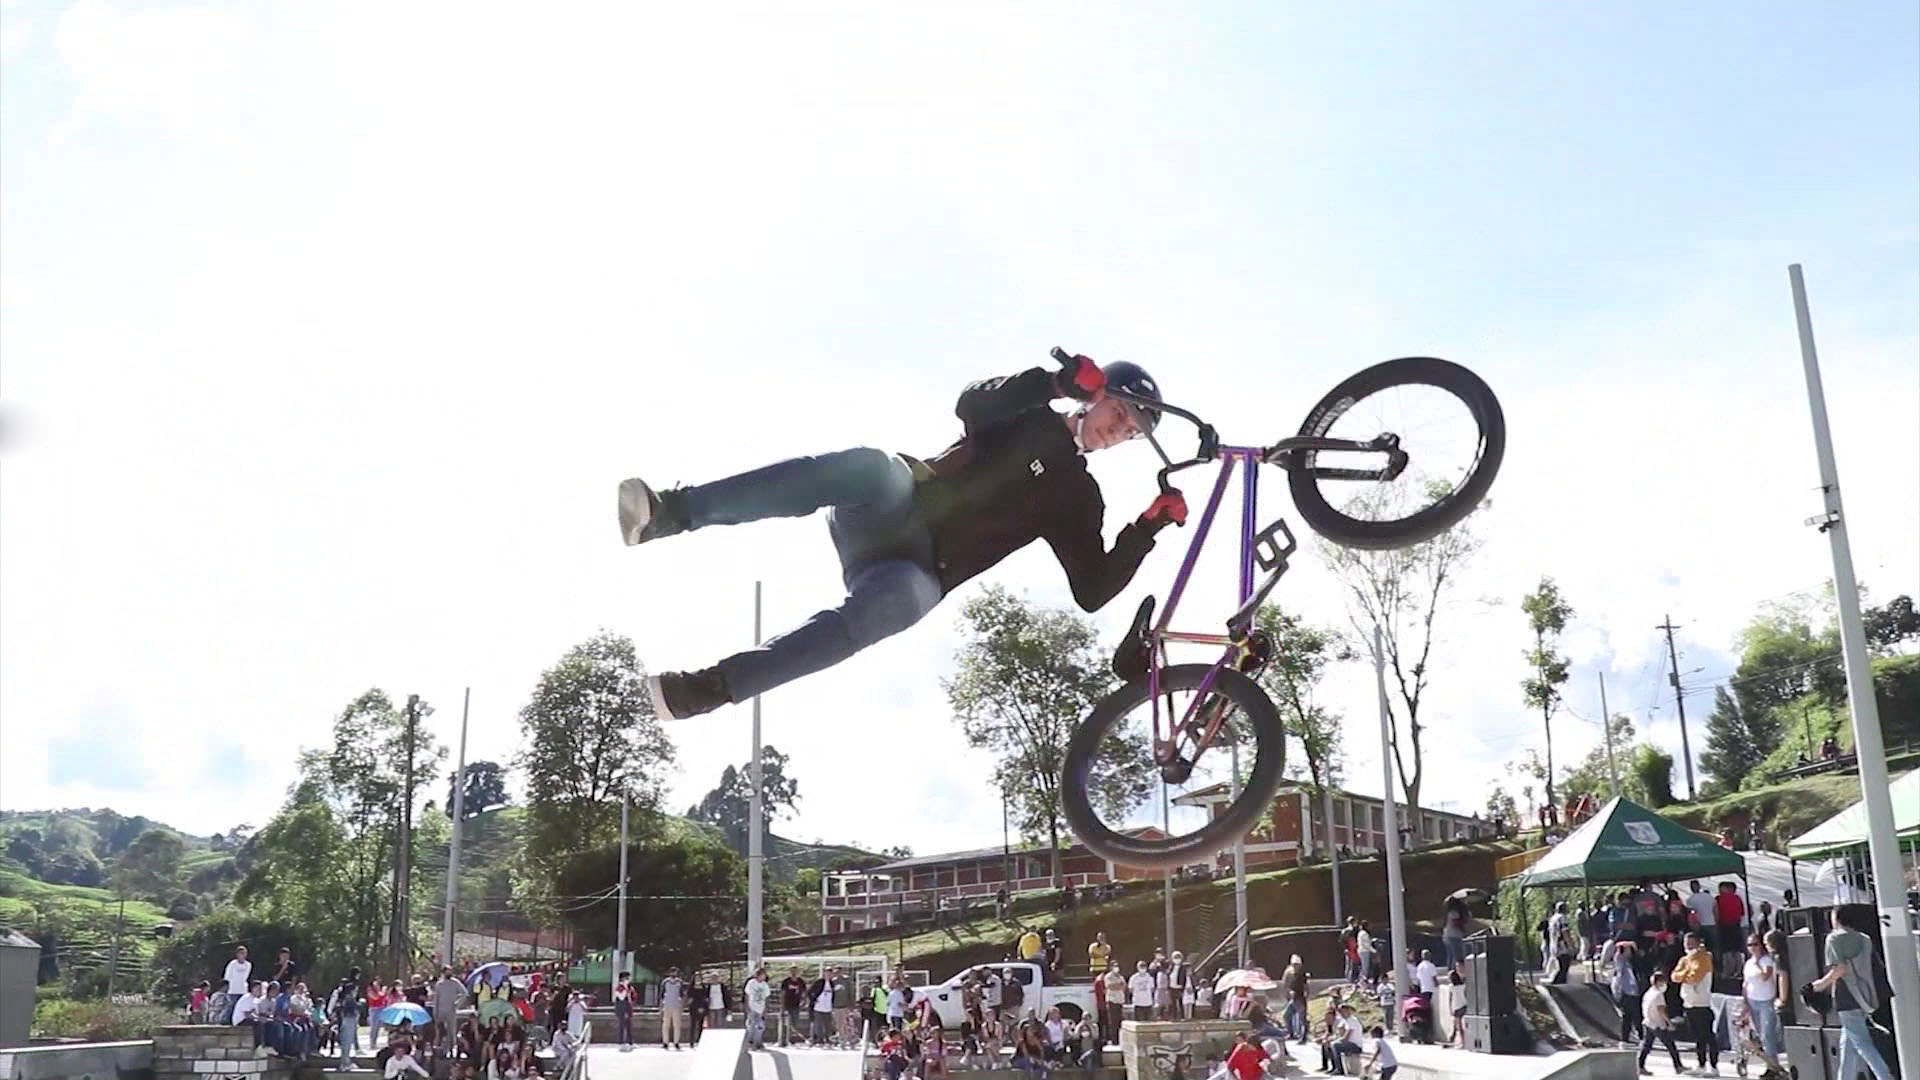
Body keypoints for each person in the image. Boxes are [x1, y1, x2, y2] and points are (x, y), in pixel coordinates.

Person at [626, 355, 1182, 720]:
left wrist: (1146, 528)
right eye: (1120, 411)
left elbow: (1093, 588)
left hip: (913, 572)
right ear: (1097, 395)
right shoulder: (1030, 415)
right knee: (878, 468)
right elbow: (972, 404)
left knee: (905, 605)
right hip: (892, 514)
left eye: (1133, 429)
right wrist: (1052, 382)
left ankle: (702, 691)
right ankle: (670, 512)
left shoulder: (1080, 499)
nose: (1121, 427)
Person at [1809, 903, 1895, 1080]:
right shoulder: (1864, 938)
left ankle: (1885, 1077)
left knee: (1862, 1043)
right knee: (1848, 1044)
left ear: (1836, 918)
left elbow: (1839, 969)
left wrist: (1818, 986)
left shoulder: (1833, 939)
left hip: (1846, 997)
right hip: (1866, 995)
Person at [1671, 932, 1716, 1074]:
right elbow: (1674, 976)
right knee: (1697, 1037)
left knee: (1707, 1035)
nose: (1688, 946)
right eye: (1686, 943)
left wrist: (1683, 975)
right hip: (1689, 1003)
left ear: (1698, 943)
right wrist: (1685, 973)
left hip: (1702, 1003)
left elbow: (1695, 977)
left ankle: (1714, 1066)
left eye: (1691, 943)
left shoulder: (1704, 957)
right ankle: (1701, 1064)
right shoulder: (1685, 959)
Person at [1740, 935, 1782, 1066]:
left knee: (1767, 1035)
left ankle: (1773, 1066)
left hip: (1766, 1001)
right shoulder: (1748, 963)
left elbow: (1765, 976)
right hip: (1753, 1001)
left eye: (1755, 944)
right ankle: (1769, 1064)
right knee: (1760, 1034)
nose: (1753, 948)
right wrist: (1745, 1003)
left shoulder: (1766, 960)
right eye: (1750, 945)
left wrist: (1758, 964)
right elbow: (1745, 984)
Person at [1637, 971, 1685, 1076]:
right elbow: (1661, 1010)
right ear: (1659, 982)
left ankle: (1639, 1066)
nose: (1665, 984)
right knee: (1670, 1045)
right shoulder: (1658, 995)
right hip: (1658, 1024)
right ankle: (1678, 1066)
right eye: (1663, 982)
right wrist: (1669, 1023)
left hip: (1648, 1021)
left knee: (1646, 1046)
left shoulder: (1648, 993)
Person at [1609, 941, 1640, 1046]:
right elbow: (1618, 949)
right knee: (1628, 1016)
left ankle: (1636, 1037)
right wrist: (1629, 944)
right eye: (1626, 949)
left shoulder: (1631, 962)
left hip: (1633, 991)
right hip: (1625, 991)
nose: (1628, 951)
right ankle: (1625, 1039)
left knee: (1634, 1015)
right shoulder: (1620, 959)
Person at [661, 967, 686, 1050]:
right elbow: (661, 995)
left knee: (677, 1025)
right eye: (672, 972)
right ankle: (665, 1042)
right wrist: (660, 1006)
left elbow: (682, 995)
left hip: (676, 1005)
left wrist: (682, 1006)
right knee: (665, 1025)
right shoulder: (665, 982)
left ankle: (676, 1042)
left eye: (675, 972)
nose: (673, 974)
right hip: (667, 1005)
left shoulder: (679, 982)